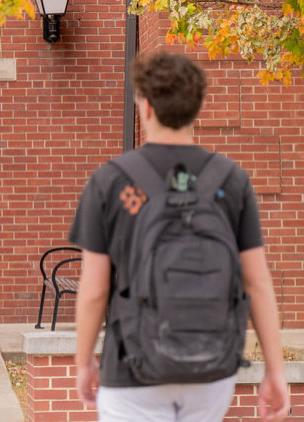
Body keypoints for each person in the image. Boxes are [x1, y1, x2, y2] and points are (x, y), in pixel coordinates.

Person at [70, 51, 289, 421]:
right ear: (196, 107)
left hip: (131, 370)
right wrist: (275, 369)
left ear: (147, 106)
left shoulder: (109, 181)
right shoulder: (232, 180)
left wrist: (84, 362)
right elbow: (257, 282)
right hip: (211, 369)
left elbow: (93, 291)